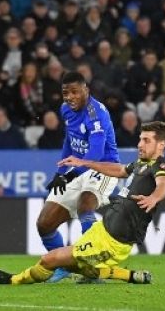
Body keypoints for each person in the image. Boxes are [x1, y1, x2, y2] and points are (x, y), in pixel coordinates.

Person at [0, 121, 165, 286]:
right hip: (102, 229)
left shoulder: (161, 164)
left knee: (50, 260)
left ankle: (13, 280)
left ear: (161, 145)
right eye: (140, 139)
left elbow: (164, 184)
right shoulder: (140, 163)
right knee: (82, 268)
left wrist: (154, 197)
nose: (140, 144)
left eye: (147, 140)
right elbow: (118, 169)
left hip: (113, 241)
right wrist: (85, 163)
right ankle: (131, 276)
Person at [37, 71, 120, 283]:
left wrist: (72, 173)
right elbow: (69, 141)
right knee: (44, 223)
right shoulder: (65, 110)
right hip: (76, 168)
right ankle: (64, 265)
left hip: (103, 167)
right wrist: (60, 173)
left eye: (75, 92)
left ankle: (92, 269)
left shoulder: (96, 113)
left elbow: (96, 152)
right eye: (66, 92)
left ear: (86, 90)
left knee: (86, 205)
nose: (69, 97)